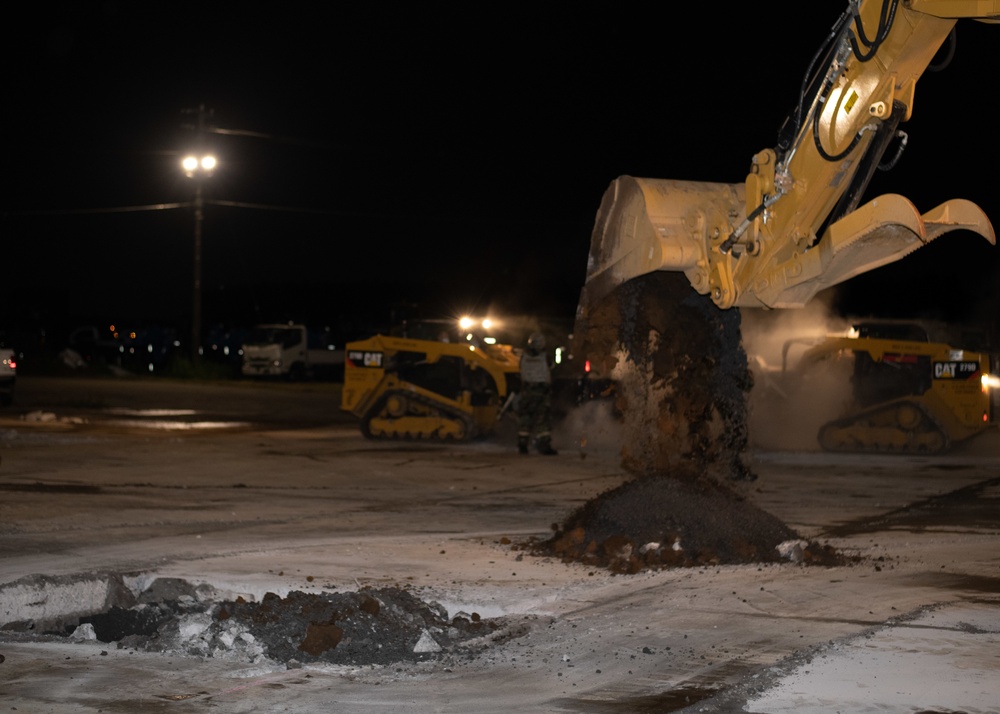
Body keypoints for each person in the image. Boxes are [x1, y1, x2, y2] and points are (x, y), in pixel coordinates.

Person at [516, 332, 557, 455]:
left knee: (525, 418)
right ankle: (544, 445)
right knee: (542, 419)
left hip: (526, 390)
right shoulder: (546, 356)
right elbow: (552, 367)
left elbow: (520, 369)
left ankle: (522, 444)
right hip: (541, 391)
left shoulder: (523, 356)